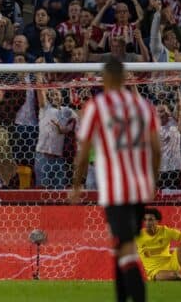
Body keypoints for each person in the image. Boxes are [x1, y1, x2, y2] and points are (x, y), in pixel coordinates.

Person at [72, 57, 161, 302]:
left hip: (116, 189)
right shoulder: (144, 106)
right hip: (141, 188)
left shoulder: (97, 106)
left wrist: (77, 185)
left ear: (106, 78)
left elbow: (83, 151)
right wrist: (153, 180)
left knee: (126, 248)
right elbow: (156, 149)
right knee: (122, 244)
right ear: (124, 78)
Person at [136, 207, 181, 281]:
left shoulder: (166, 231)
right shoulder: (138, 236)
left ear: (157, 221)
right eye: (145, 220)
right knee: (175, 275)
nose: (147, 223)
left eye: (150, 220)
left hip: (171, 263)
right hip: (156, 271)